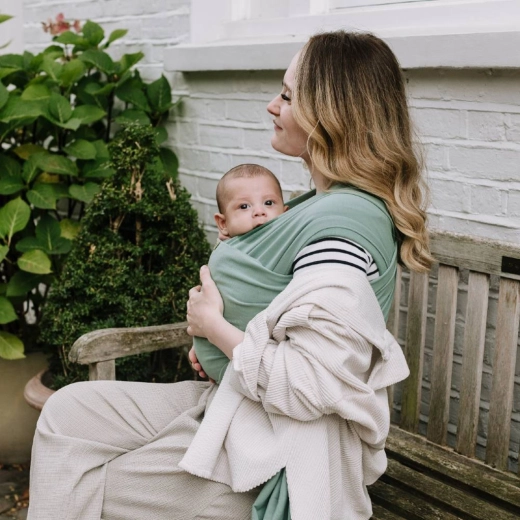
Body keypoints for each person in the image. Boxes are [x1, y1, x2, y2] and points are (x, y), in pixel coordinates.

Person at [28, 31, 432, 520]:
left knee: (92, 482)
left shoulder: (341, 231)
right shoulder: (321, 204)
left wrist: (215, 329)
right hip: (237, 401)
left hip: (280, 446)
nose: (272, 106)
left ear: (331, 115)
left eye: (288, 96)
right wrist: (222, 346)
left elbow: (310, 386)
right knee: (67, 413)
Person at [194, 163, 288, 382]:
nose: (259, 211)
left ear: (286, 215)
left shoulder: (286, 247)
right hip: (225, 356)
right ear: (223, 223)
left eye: (269, 202)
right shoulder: (227, 254)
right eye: (244, 206)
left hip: (262, 362)